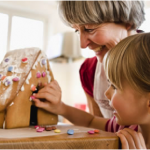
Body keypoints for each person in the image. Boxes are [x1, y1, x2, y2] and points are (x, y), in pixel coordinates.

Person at [33, 32, 150, 149]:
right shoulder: (126, 126)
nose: (107, 93)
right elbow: (90, 121)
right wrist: (60, 108)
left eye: (115, 87)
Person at [58, 0, 145, 118]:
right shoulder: (88, 70)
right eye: (77, 31)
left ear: (126, 21)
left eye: (89, 29)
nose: (83, 44)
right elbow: (97, 125)